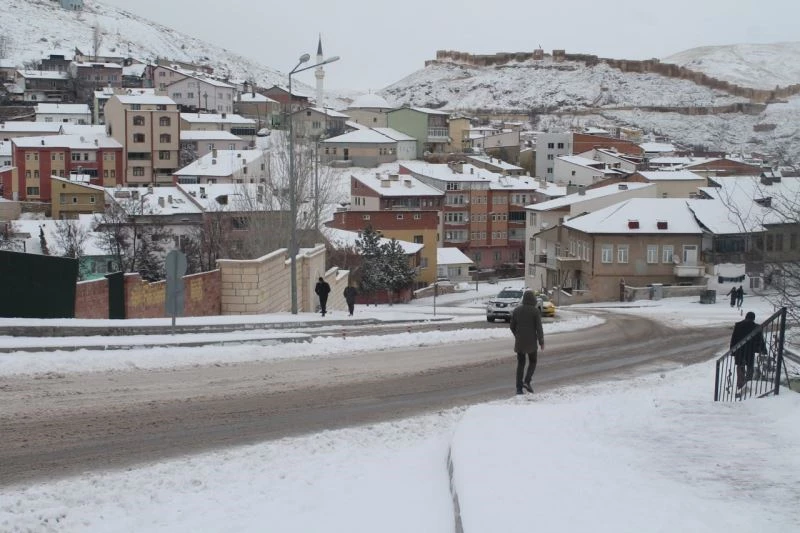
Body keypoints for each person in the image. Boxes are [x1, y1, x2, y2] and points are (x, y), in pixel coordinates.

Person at [510, 290, 545, 395]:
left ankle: (519, 389)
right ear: (533, 299)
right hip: (531, 343)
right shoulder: (535, 311)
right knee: (533, 361)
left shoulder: (516, 310)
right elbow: (539, 328)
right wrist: (541, 341)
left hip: (519, 341)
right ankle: (527, 381)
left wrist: (517, 335)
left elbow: (512, 326)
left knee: (520, 364)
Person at [730, 311, 766, 392]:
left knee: (740, 366)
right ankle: (748, 383)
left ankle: (740, 384)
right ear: (753, 318)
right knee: (750, 367)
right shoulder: (756, 327)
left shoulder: (738, 325)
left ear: (746, 317)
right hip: (750, 350)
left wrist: (732, 350)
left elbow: (734, 338)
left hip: (739, 349)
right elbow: (760, 340)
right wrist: (763, 350)